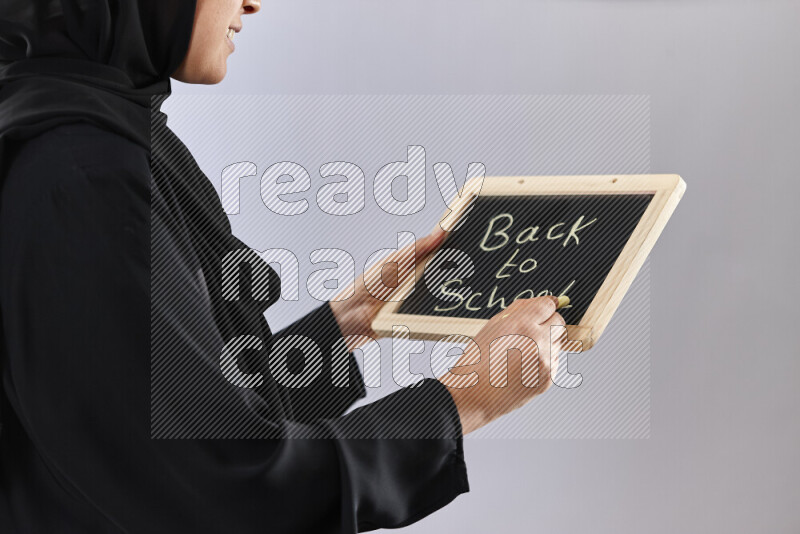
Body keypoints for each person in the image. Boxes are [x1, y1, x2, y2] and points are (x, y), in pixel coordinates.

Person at [0, 1, 566, 532]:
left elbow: (178, 412)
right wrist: (465, 399)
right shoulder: (82, 177)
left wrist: (351, 321)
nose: (253, 2)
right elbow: (228, 493)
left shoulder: (90, 133)